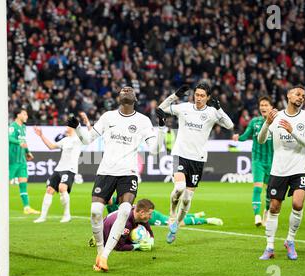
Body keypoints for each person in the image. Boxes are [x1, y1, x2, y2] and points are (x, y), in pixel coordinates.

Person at [67, 86, 165, 272]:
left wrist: (162, 128)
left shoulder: (143, 121)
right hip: (106, 171)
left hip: (128, 173)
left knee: (125, 209)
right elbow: (87, 140)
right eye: (122, 90)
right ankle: (100, 250)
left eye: (129, 89)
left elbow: (155, 149)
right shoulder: (108, 117)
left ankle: (105, 257)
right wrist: (77, 127)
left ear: (135, 97)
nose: (126, 90)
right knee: (96, 211)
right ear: (119, 98)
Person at [157, 83, 234, 244]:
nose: (198, 98)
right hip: (180, 154)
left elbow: (230, 125)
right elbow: (161, 109)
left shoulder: (212, 113)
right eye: (196, 94)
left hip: (198, 159)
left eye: (202, 96)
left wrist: (219, 109)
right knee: (179, 187)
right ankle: (172, 215)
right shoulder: (184, 107)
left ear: (208, 98)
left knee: (186, 199)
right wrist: (175, 95)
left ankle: (176, 225)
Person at [257, 85, 305, 260]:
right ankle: (269, 247)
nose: (301, 97)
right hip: (279, 169)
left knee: (298, 205)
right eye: (298, 94)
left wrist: (292, 131)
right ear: (288, 95)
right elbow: (261, 141)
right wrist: (267, 123)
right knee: (274, 208)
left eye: (303, 96)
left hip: (300, 168)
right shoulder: (276, 116)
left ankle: (290, 240)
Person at [0, 108, 40, 215]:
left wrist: (28, 152)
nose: (26, 116)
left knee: (23, 183)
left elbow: (24, 141)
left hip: (22, 160)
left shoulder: (23, 127)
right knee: (5, 185)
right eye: (24, 114)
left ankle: (27, 207)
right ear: (18, 115)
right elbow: (9, 138)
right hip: (12, 160)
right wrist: (19, 141)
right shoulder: (12, 126)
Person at [232, 97, 274, 227]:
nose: (263, 107)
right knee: (257, 188)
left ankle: (266, 212)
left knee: (269, 191)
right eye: (261, 105)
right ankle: (257, 216)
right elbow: (245, 136)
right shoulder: (255, 122)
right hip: (257, 160)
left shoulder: (277, 123)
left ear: (271, 107)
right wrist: (238, 137)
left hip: (272, 161)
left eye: (266, 105)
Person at [32, 124, 83, 223]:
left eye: (68, 125)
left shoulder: (78, 139)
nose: (66, 127)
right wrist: (41, 135)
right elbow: (51, 146)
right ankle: (42, 216)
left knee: (62, 187)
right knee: (49, 189)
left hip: (70, 169)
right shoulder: (65, 140)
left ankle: (67, 215)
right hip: (59, 168)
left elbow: (87, 136)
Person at [106, 195, 223, 226]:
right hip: (145, 214)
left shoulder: (118, 200)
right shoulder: (110, 207)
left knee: (175, 223)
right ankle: (194, 214)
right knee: (172, 219)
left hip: (150, 216)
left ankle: (207, 220)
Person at [89, 199, 156, 252]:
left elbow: (148, 227)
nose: (151, 217)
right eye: (150, 214)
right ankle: (98, 237)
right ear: (141, 212)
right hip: (106, 231)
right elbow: (118, 247)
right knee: (124, 241)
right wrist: (138, 246)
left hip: (109, 221)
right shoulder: (126, 223)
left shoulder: (136, 211)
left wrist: (151, 239)